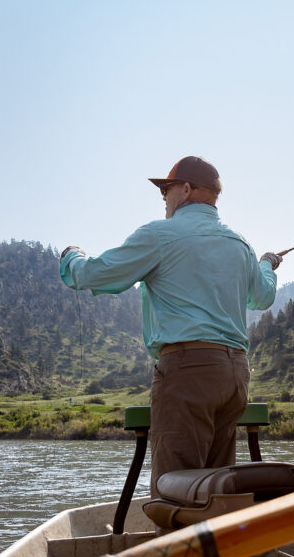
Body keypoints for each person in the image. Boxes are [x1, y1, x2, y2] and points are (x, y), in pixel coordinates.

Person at [60, 155, 280, 497]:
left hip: (188, 371)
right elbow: (262, 297)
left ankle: (178, 548)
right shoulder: (241, 244)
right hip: (236, 374)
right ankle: (217, 547)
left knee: (175, 487)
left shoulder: (160, 235)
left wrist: (71, 257)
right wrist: (266, 264)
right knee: (217, 486)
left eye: (167, 188)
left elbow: (97, 275)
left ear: (187, 189)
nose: (163, 195)